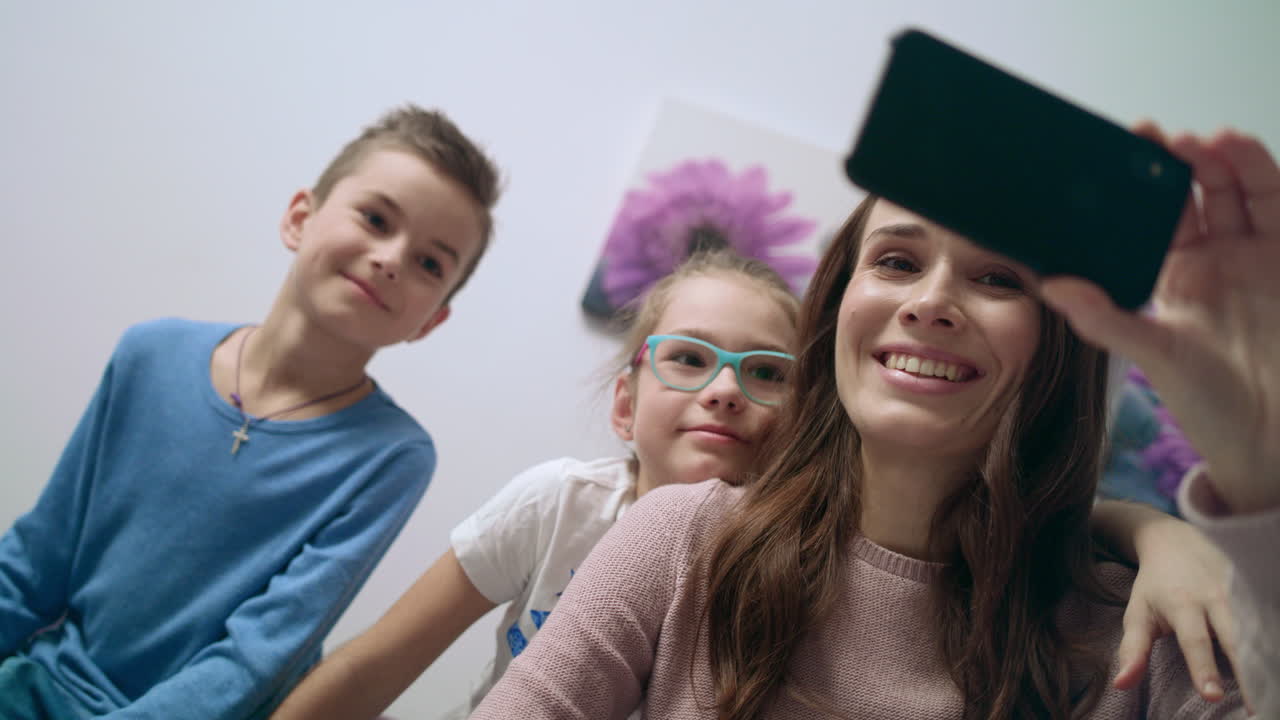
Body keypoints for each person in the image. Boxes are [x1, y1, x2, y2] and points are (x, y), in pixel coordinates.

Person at [470, 127, 1279, 718]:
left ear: (1057, 349)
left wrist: (1260, 476)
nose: (929, 302)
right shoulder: (681, 538)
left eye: (998, 277)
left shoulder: (1142, 631)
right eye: (896, 260)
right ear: (835, 312)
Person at [0, 104, 501, 719]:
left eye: (430, 263)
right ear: (300, 218)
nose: (392, 258)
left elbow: (255, 660)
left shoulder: (393, 457)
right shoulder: (149, 353)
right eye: (375, 219)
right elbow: (32, 564)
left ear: (433, 320)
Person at [270, 249, 802, 719]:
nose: (727, 389)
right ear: (625, 406)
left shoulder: (809, 571)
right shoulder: (558, 505)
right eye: (688, 358)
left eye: (768, 372)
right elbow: (371, 670)